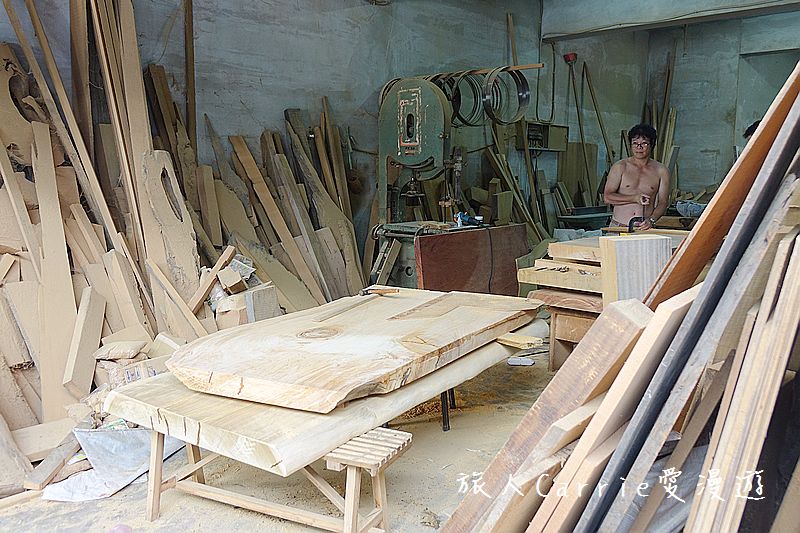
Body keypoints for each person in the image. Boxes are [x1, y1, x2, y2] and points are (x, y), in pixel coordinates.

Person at [603, 123, 670, 231]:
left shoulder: (661, 170)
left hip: (644, 229)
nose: (639, 147)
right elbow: (607, 197)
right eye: (635, 143)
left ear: (652, 145)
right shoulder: (620, 167)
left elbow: (663, 202)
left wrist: (652, 220)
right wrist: (634, 198)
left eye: (644, 143)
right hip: (619, 227)